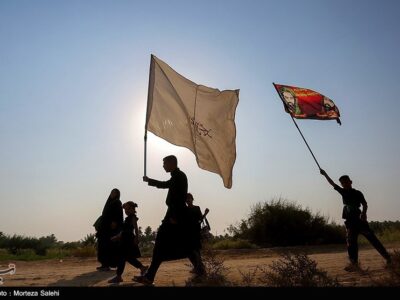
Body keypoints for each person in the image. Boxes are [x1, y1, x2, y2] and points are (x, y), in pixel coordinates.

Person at [134, 155, 202, 285]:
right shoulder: (177, 176)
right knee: (184, 245)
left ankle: (149, 276)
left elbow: (176, 197)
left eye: (164, 163)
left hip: (175, 216)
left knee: (161, 245)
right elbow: (167, 185)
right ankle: (200, 270)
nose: (163, 166)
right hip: (174, 215)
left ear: (171, 163)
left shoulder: (179, 176)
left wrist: (174, 217)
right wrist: (150, 180)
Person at [320, 169, 391, 271]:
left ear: (351, 182)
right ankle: (354, 264)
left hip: (359, 220)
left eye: (346, 182)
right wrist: (325, 174)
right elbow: (332, 183)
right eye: (343, 183)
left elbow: (365, 204)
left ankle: (388, 259)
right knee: (351, 243)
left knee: (373, 239)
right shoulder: (343, 192)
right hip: (350, 222)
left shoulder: (358, 193)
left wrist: (364, 213)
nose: (344, 184)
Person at [108, 201, 148, 284]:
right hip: (125, 240)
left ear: (133, 209)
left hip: (129, 240)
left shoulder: (133, 217)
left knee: (123, 258)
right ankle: (142, 268)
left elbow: (136, 228)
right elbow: (124, 231)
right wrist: (117, 237)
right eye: (125, 209)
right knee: (128, 258)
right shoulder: (127, 219)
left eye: (128, 209)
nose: (126, 211)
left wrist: (137, 238)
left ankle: (119, 276)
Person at [95, 188, 123, 271]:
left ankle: (108, 264)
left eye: (114, 193)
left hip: (111, 229)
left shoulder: (117, 202)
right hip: (104, 228)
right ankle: (104, 264)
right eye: (111, 192)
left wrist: (114, 222)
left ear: (117, 194)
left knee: (109, 246)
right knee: (102, 246)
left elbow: (118, 214)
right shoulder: (109, 203)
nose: (112, 194)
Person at [186, 193, 207, 275]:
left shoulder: (197, 208)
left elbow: (200, 220)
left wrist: (205, 213)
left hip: (196, 232)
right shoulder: (184, 210)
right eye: (186, 199)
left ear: (192, 199)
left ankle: (199, 268)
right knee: (189, 251)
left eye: (189, 198)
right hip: (188, 233)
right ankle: (198, 267)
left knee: (196, 251)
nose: (188, 200)